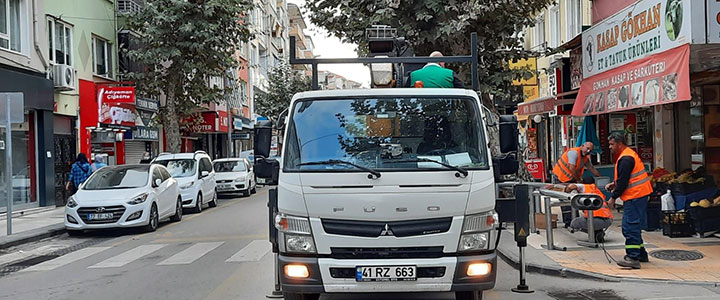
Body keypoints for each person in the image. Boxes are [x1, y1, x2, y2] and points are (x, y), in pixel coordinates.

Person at [605, 132, 652, 269]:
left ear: (620, 144)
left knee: (629, 227)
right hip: (638, 194)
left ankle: (632, 257)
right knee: (634, 225)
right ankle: (641, 254)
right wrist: (615, 184)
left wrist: (613, 197)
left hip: (635, 196)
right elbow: (625, 178)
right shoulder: (627, 154)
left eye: (612, 144)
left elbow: (624, 181)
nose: (610, 147)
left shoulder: (626, 158)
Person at [553, 142, 602, 227]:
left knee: (574, 199)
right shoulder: (574, 153)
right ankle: (569, 222)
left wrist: (601, 178)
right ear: (582, 146)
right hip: (561, 178)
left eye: (590, 150)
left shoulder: (585, 158)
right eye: (587, 148)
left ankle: (574, 221)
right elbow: (571, 167)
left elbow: (592, 168)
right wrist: (578, 180)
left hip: (570, 179)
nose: (588, 151)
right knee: (566, 200)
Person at [565, 176, 614, 242]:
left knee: (573, 223)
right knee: (590, 218)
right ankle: (598, 232)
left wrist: (565, 191)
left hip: (594, 220)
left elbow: (570, 187)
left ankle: (594, 234)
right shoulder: (597, 191)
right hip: (608, 220)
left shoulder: (584, 187)